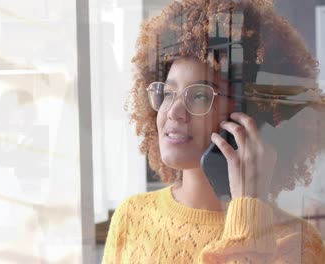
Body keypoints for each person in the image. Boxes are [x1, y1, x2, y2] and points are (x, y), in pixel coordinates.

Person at [102, 0, 325, 263]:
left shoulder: (296, 242)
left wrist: (249, 215)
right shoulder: (132, 216)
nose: (173, 112)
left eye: (198, 95)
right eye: (169, 93)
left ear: (252, 115)